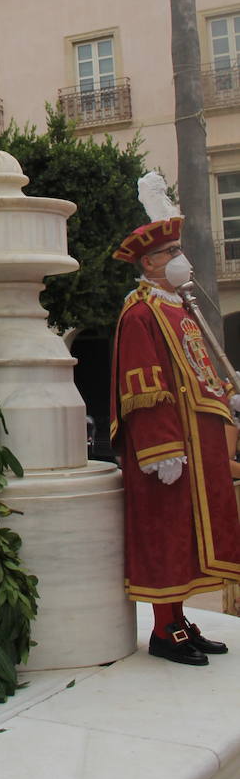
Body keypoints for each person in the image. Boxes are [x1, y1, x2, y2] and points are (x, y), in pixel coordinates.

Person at [111, 216, 240, 665]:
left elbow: (197, 375)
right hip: (167, 449)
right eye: (171, 253)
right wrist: (159, 448)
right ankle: (165, 629)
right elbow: (140, 384)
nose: (180, 259)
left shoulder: (178, 307)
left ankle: (180, 620)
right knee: (166, 534)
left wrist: (227, 396)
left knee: (188, 537)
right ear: (150, 263)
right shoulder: (141, 313)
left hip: (197, 444)